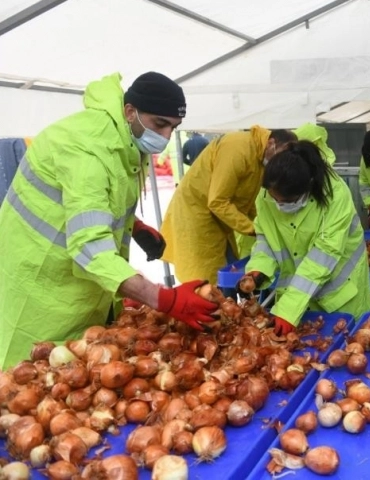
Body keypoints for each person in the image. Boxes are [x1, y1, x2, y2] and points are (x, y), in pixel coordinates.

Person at [0, 72, 218, 369]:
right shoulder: (88, 150)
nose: (166, 137)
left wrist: (135, 226)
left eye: (174, 127)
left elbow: (93, 201)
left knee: (74, 368)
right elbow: (89, 248)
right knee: (30, 371)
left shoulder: (126, 137)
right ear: (130, 112)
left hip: (76, 283)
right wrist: (164, 300)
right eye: (160, 124)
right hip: (39, 283)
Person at [236, 141, 370, 335]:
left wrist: (288, 310)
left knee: (347, 345)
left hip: (339, 294)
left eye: (286, 202)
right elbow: (267, 238)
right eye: (275, 199)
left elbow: (324, 254)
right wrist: (259, 270)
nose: (278, 205)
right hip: (296, 295)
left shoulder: (335, 196)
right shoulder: (267, 194)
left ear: (308, 186)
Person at [160, 126, 296, 284]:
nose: (280, 162)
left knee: (229, 273)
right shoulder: (238, 148)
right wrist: (254, 229)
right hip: (197, 216)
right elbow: (217, 201)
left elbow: (247, 201)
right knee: (205, 283)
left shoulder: (258, 159)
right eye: (281, 155)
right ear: (271, 143)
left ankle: (230, 304)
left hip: (219, 219)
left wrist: (265, 225)